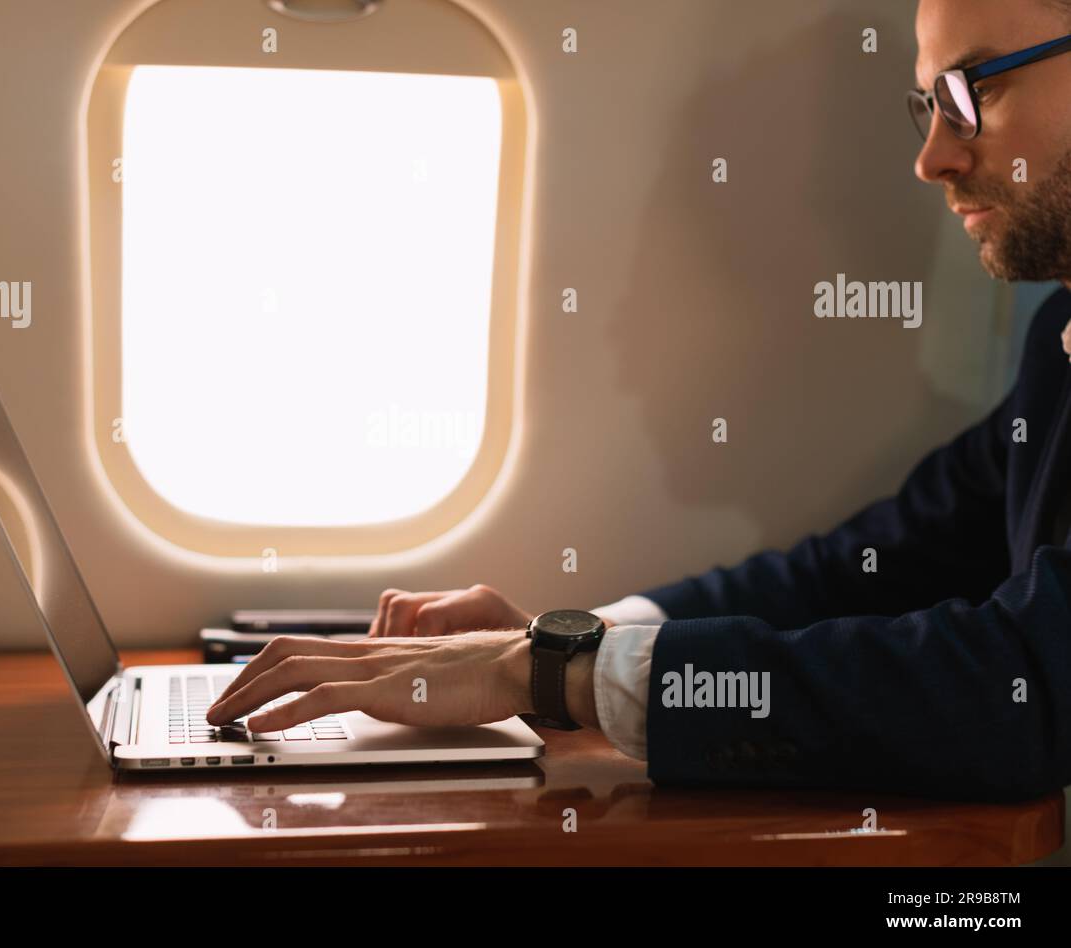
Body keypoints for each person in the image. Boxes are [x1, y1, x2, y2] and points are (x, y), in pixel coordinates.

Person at [210, 0, 1071, 802]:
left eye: (974, 89)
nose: (933, 157)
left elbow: (1017, 684)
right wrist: (564, 639)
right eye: (928, 104)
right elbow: (876, 562)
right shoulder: (1058, 340)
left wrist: (557, 675)